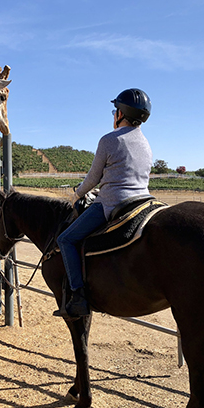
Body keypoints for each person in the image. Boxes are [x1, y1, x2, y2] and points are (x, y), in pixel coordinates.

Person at [54, 88, 153, 318]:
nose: (114, 114)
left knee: (66, 239)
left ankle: (77, 297)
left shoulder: (109, 140)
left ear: (121, 113)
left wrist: (78, 194)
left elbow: (93, 178)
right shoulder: (146, 144)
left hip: (112, 203)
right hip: (143, 200)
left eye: (115, 110)